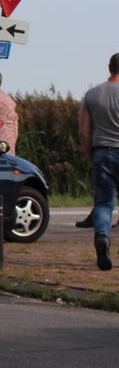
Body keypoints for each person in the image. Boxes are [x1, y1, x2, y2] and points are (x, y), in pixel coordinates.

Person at [79, 53, 119, 270]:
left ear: (109, 67)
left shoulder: (92, 94)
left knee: (104, 203)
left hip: (102, 152)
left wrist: (90, 155)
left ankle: (102, 236)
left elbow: (84, 132)